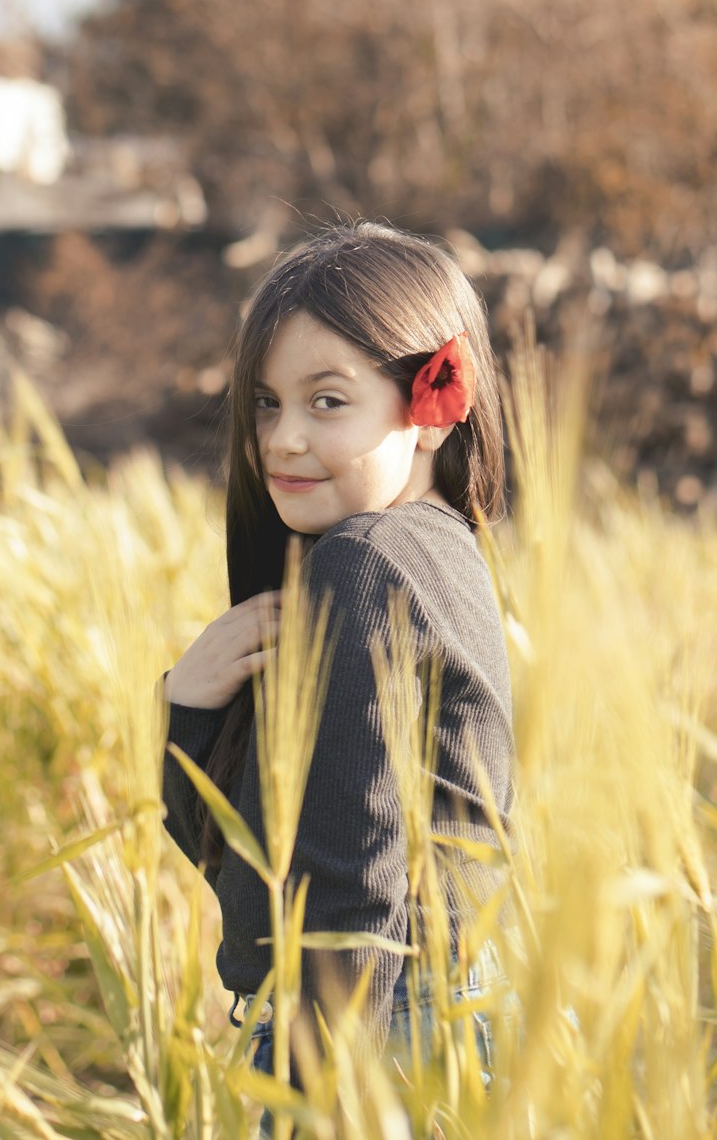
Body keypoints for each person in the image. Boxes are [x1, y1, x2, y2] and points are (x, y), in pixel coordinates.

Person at [159, 222, 514, 1112]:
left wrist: (319, 1092)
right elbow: (245, 858)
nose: (280, 440)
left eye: (327, 402)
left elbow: (348, 881)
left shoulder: (364, 563)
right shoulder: (439, 550)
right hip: (426, 1011)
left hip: (366, 1028)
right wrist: (191, 707)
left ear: (430, 408)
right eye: (267, 404)